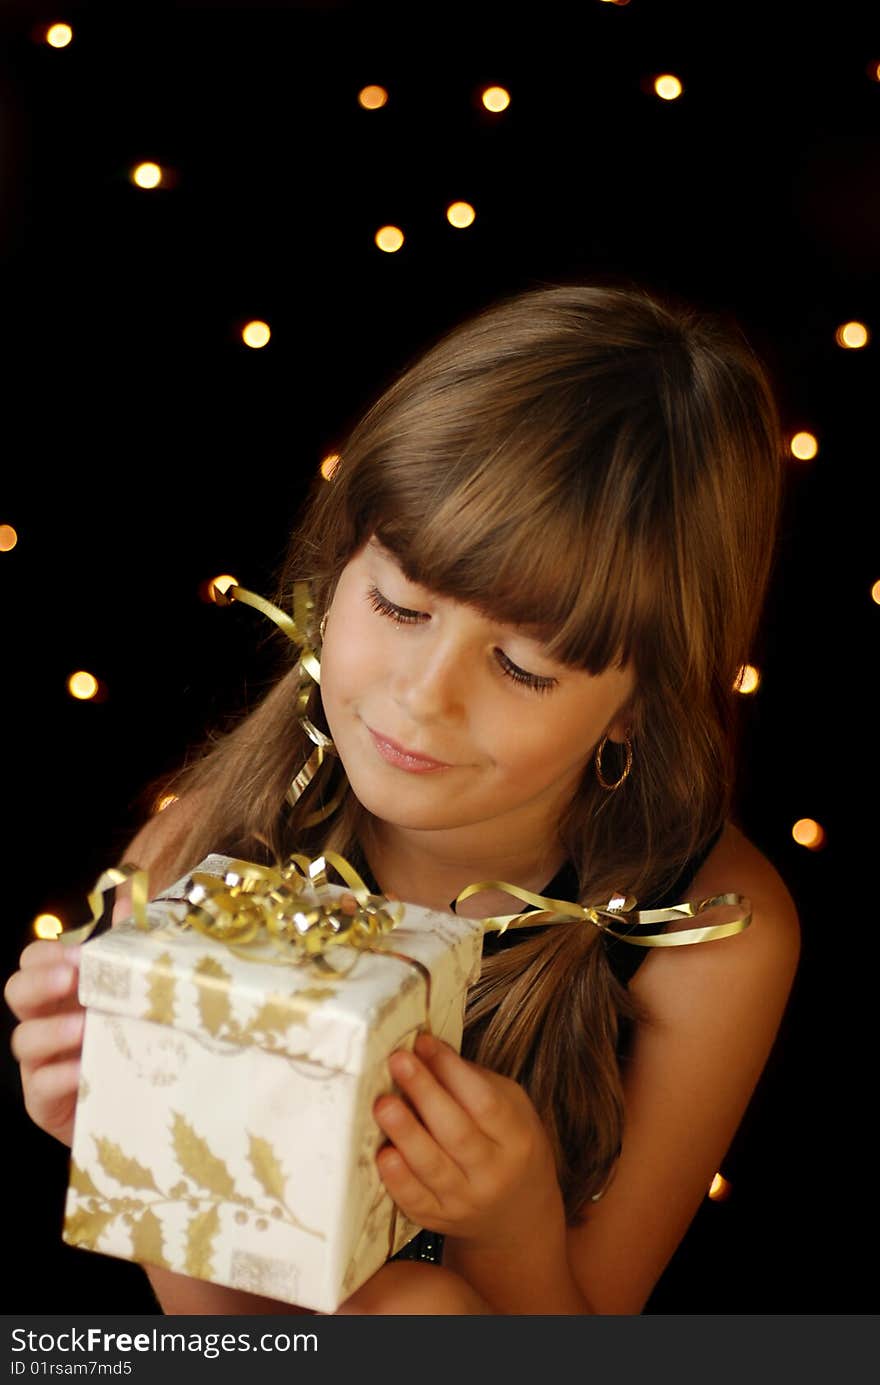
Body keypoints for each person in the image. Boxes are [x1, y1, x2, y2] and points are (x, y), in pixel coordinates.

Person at [4, 279, 801, 1316]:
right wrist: (137, 1117)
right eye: (397, 603)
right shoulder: (213, 841)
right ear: (337, 571)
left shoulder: (711, 935)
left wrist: (509, 1220)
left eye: (521, 668)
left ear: (634, 709)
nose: (421, 699)